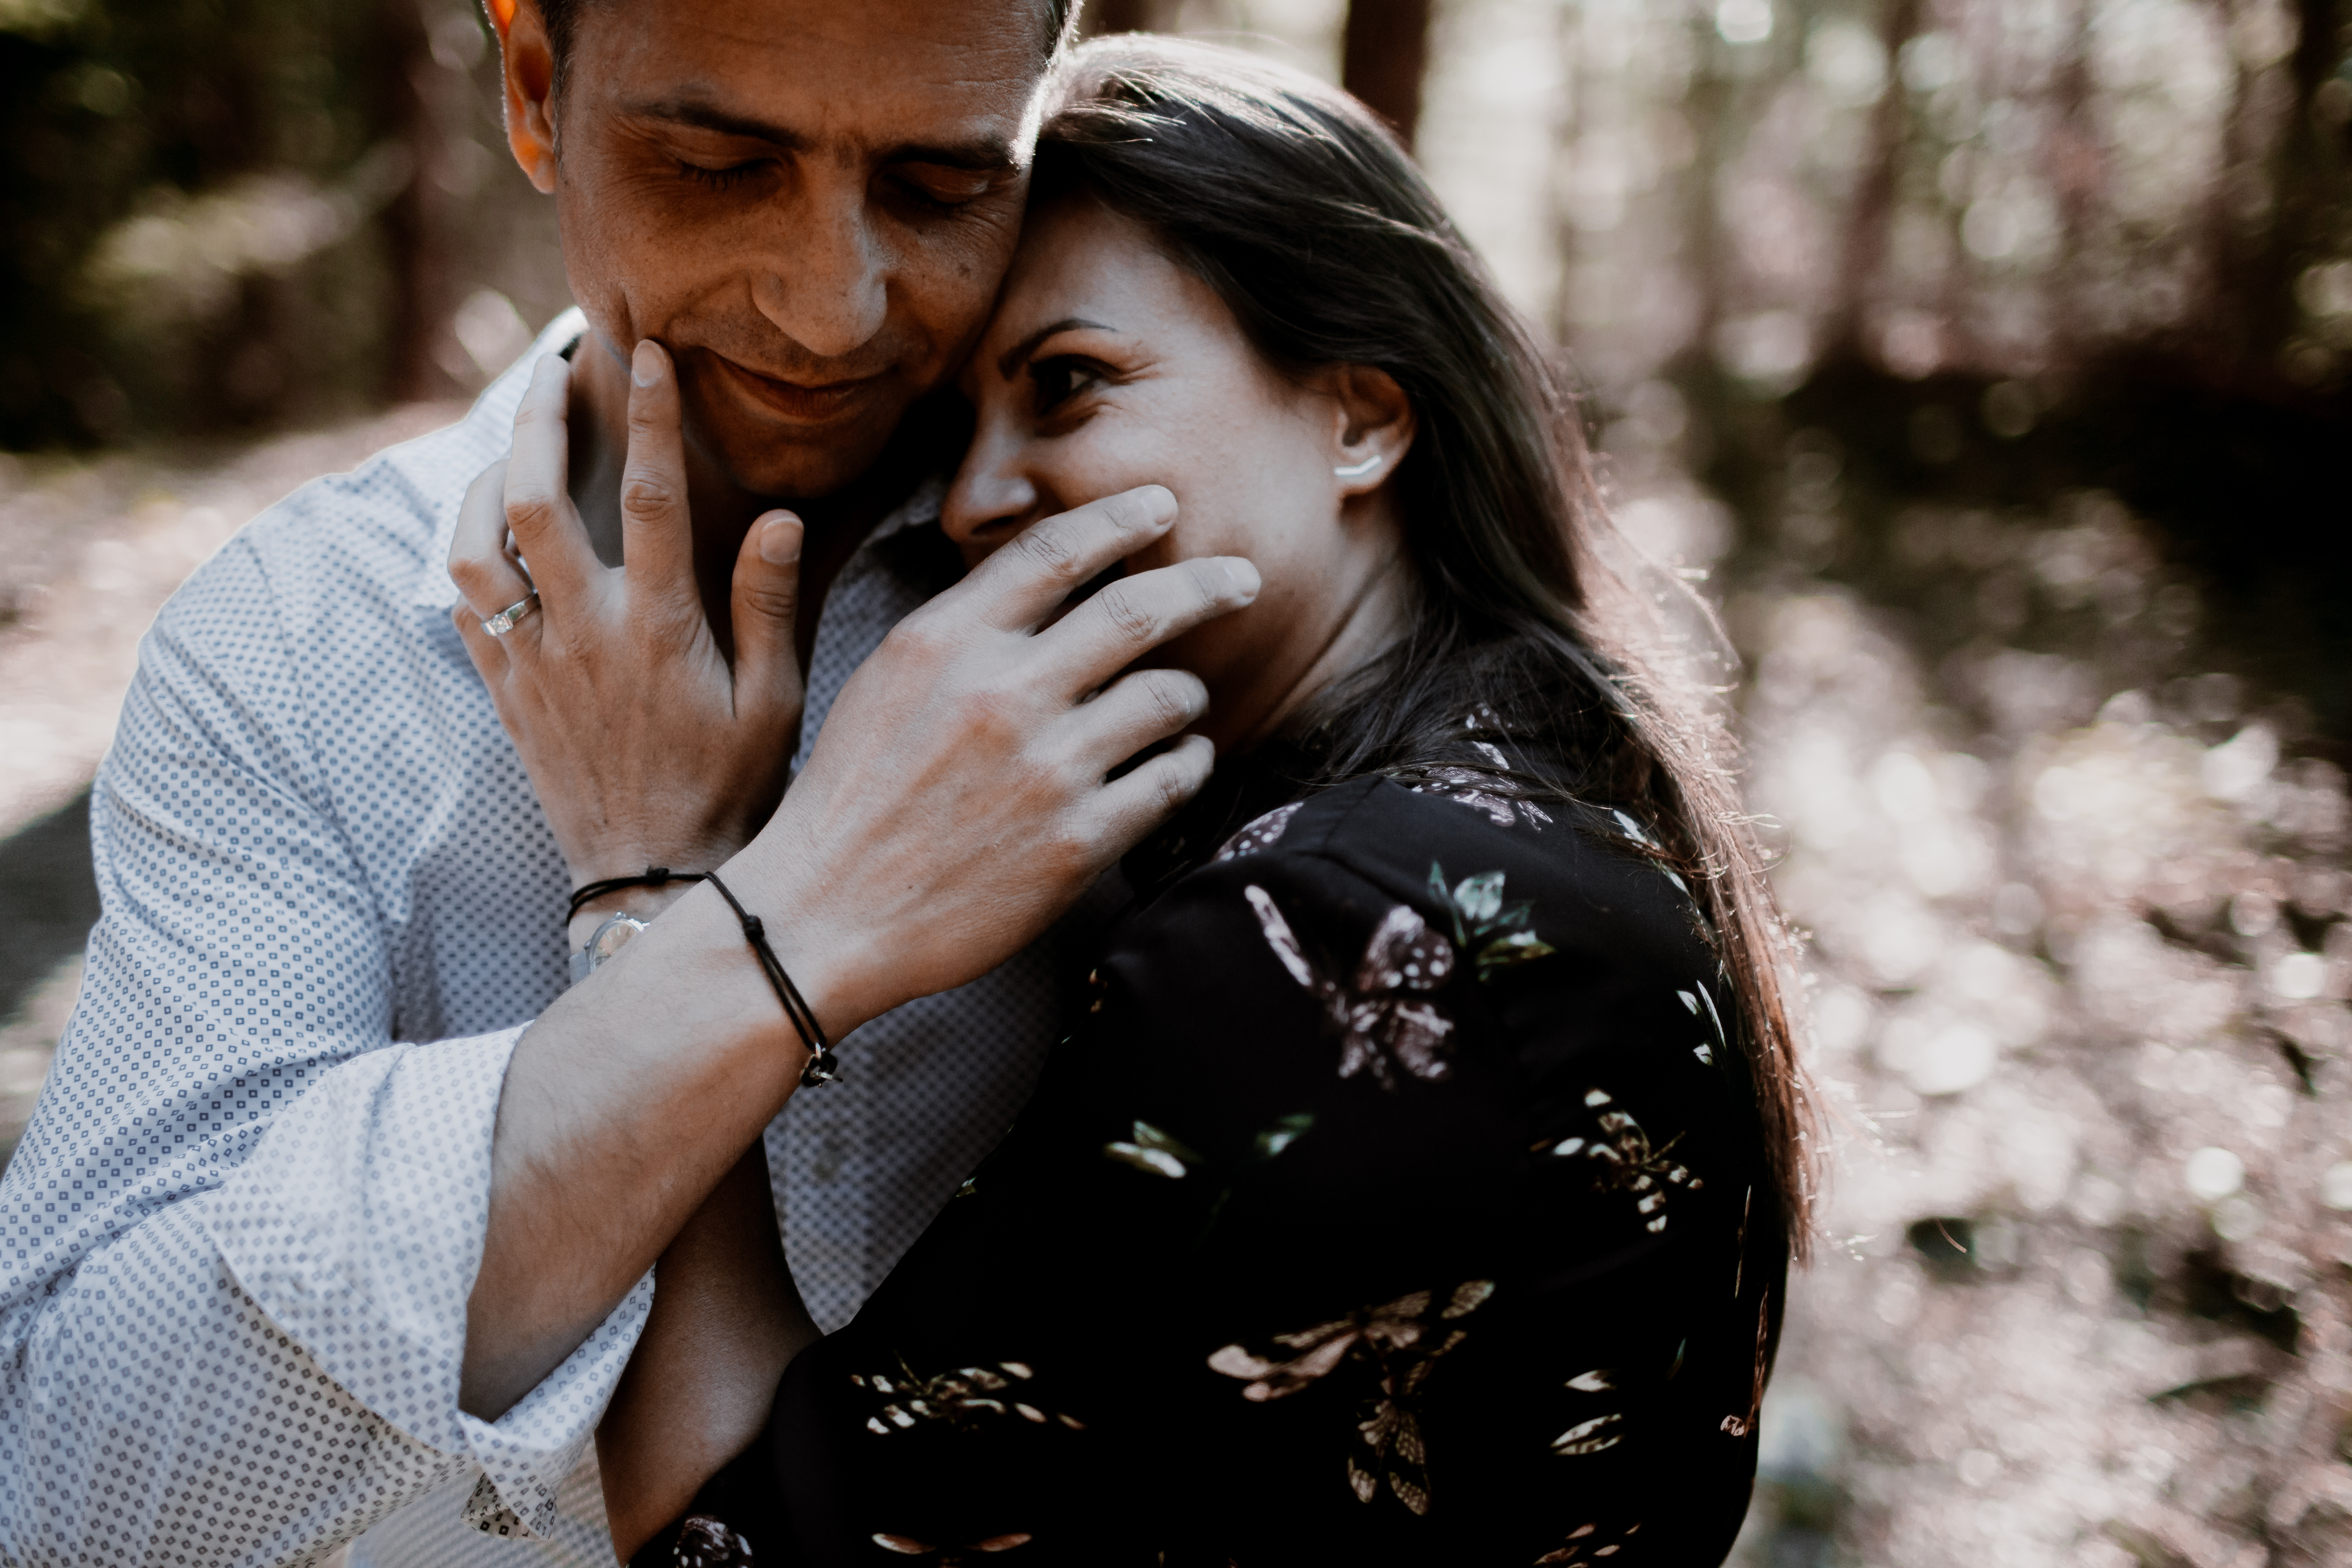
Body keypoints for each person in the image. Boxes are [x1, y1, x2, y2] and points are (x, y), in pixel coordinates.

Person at [511, 37, 1816, 1567]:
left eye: (1068, 386)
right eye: (961, 430)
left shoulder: (1339, 935)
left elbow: (732, 1536)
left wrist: (663, 886)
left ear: (1363, 418)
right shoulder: (1546, 795)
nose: (976, 498)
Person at [0, 4, 1260, 1565]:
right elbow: (76, 1490)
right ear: (536, 89)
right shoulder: (302, 641)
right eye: (719, 162)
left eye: (942, 191)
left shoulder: (1168, 548)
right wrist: (770, 932)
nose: (833, 309)